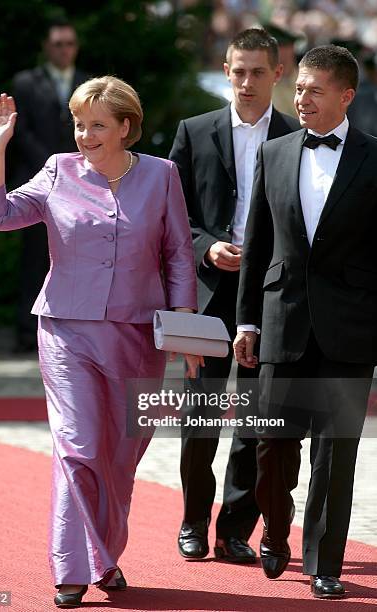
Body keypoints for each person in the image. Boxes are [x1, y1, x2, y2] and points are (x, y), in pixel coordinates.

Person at [0, 77, 201, 608]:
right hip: (66, 332)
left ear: (125, 126)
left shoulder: (162, 176)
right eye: (79, 124)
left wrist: (186, 330)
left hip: (140, 337)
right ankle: (70, 568)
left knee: (120, 457)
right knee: (77, 445)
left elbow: (180, 254)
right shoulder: (57, 171)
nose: (85, 135)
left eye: (97, 124)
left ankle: (105, 557)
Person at [234, 45, 376, 598]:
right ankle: (275, 526)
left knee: (336, 452)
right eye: (299, 89)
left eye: (315, 90)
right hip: (282, 320)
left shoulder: (374, 159)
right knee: (271, 444)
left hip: (351, 328)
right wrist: (247, 322)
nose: (301, 98)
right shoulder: (274, 153)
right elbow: (257, 244)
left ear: (346, 95)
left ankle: (326, 563)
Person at [169, 28, 299, 564]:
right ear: (226, 71)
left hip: (269, 296)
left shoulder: (297, 137)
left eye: (257, 72)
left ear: (277, 74)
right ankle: (193, 521)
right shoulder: (194, 131)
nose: (246, 82)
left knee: (254, 420)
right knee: (198, 417)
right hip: (204, 293)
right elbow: (173, 215)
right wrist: (206, 247)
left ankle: (234, 529)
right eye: (237, 71)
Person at [11, 18, 88, 352]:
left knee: (78, 257)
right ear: (46, 47)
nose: (64, 49)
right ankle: (28, 333)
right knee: (34, 259)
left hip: (82, 185)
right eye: (58, 44)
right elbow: (21, 131)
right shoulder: (26, 82)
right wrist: (53, 166)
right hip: (37, 182)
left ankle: (75, 333)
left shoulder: (89, 83)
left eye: (69, 43)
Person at [263, 22, 304, 118]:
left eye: (283, 46)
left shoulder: (307, 79)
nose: (278, 52)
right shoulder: (264, 83)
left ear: (292, 48)